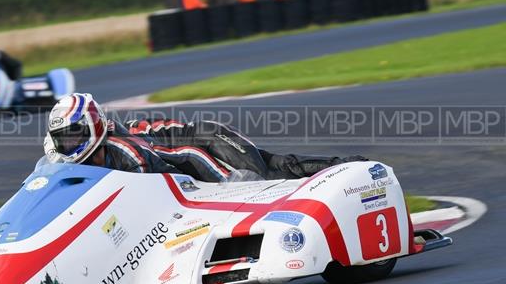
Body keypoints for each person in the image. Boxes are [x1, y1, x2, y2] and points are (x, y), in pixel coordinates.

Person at [44, 93, 365, 182]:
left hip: (204, 143)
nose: (70, 145)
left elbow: (185, 165)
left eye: (75, 135)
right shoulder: (60, 155)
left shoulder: (128, 153)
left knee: (267, 176)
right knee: (275, 166)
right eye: (64, 139)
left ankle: (349, 169)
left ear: (94, 127)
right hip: (178, 148)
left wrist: (226, 183)